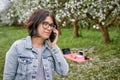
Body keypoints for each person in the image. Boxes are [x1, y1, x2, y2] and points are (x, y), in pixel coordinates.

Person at [3, 9, 69, 80]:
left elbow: (64, 72)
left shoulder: (51, 49)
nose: (49, 28)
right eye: (45, 24)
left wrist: (54, 46)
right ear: (36, 23)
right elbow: (8, 76)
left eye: (51, 25)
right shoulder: (18, 47)